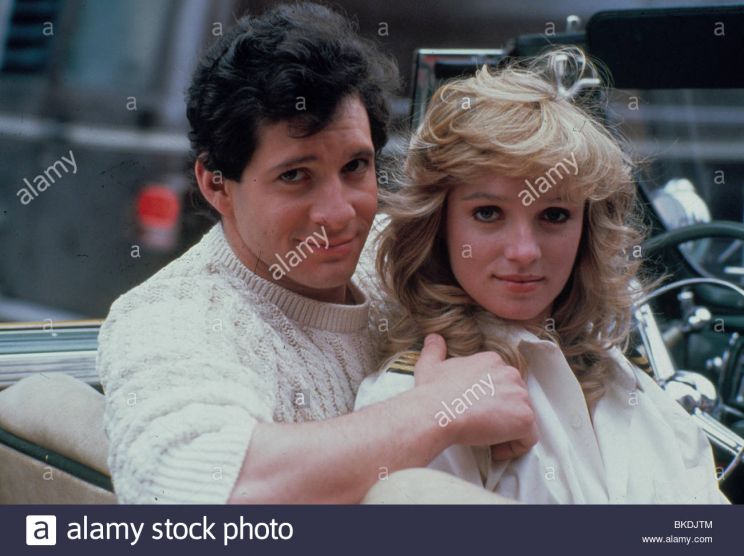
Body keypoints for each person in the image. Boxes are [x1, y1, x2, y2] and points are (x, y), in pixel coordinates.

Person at [96, 2, 536, 504]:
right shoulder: (168, 319)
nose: (339, 213)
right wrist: (440, 410)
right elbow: (193, 494)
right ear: (216, 185)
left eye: (354, 167)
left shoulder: (398, 252)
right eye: (295, 176)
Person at [355, 47, 729, 504]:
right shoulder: (413, 401)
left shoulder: (621, 377)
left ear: (588, 230)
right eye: (488, 213)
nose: (524, 252)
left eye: (554, 215)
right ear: (438, 224)